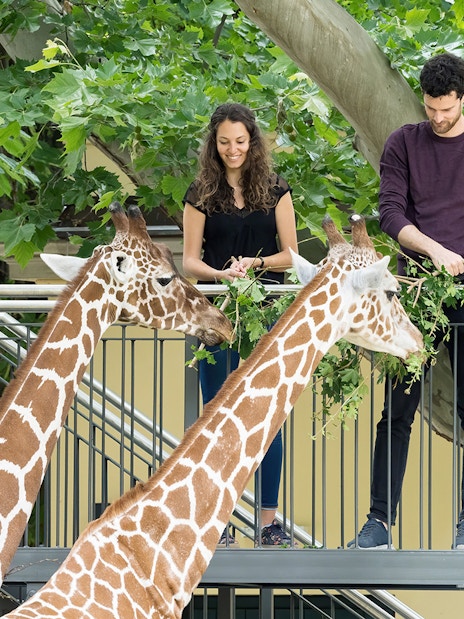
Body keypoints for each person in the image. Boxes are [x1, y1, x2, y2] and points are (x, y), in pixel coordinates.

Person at [348, 52, 464, 549]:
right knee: (397, 409)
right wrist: (436, 250)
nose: (437, 117)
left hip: (463, 294)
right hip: (415, 293)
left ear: (462, 97)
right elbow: (391, 214)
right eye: (431, 107)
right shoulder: (403, 144)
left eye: (447, 108)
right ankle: (378, 522)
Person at [182, 102, 299, 546]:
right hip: (215, 317)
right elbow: (191, 261)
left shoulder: (276, 188)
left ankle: (268, 522)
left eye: (241, 141)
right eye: (225, 142)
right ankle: (220, 521)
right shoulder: (200, 192)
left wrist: (257, 263)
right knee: (217, 419)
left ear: (253, 142)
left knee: (267, 417)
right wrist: (222, 274)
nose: (233, 150)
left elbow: (291, 254)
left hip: (265, 314)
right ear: (215, 143)